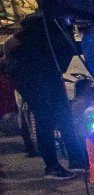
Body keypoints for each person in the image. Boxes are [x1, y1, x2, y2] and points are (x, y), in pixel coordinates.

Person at [4, 11, 87, 178]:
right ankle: (52, 166)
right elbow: (10, 42)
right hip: (32, 75)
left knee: (64, 114)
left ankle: (77, 159)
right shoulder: (42, 22)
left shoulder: (63, 23)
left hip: (49, 72)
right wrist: (10, 62)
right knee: (44, 116)